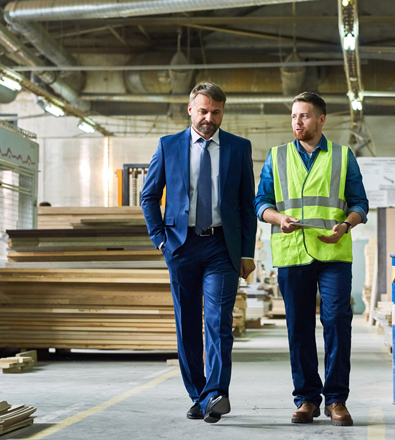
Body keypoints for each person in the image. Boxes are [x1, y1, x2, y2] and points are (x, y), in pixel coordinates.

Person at [141, 83, 257, 423]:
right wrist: (161, 240)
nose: (209, 118)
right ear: (190, 109)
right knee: (187, 323)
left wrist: (246, 252)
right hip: (182, 245)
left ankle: (216, 394)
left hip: (223, 247)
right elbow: (149, 197)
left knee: (219, 322)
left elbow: (247, 206)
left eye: (216, 112)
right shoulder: (168, 146)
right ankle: (198, 394)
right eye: (203, 111)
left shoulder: (238, 148)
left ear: (223, 112)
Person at [254, 92, 369, 427]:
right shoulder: (276, 157)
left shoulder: (343, 156)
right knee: (299, 327)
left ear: (321, 120)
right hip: (292, 252)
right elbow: (261, 202)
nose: (297, 122)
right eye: (293, 116)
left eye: (304, 116)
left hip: (333, 251)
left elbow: (360, 203)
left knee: (336, 321)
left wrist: (346, 225)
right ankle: (306, 398)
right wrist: (278, 219)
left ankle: (336, 400)